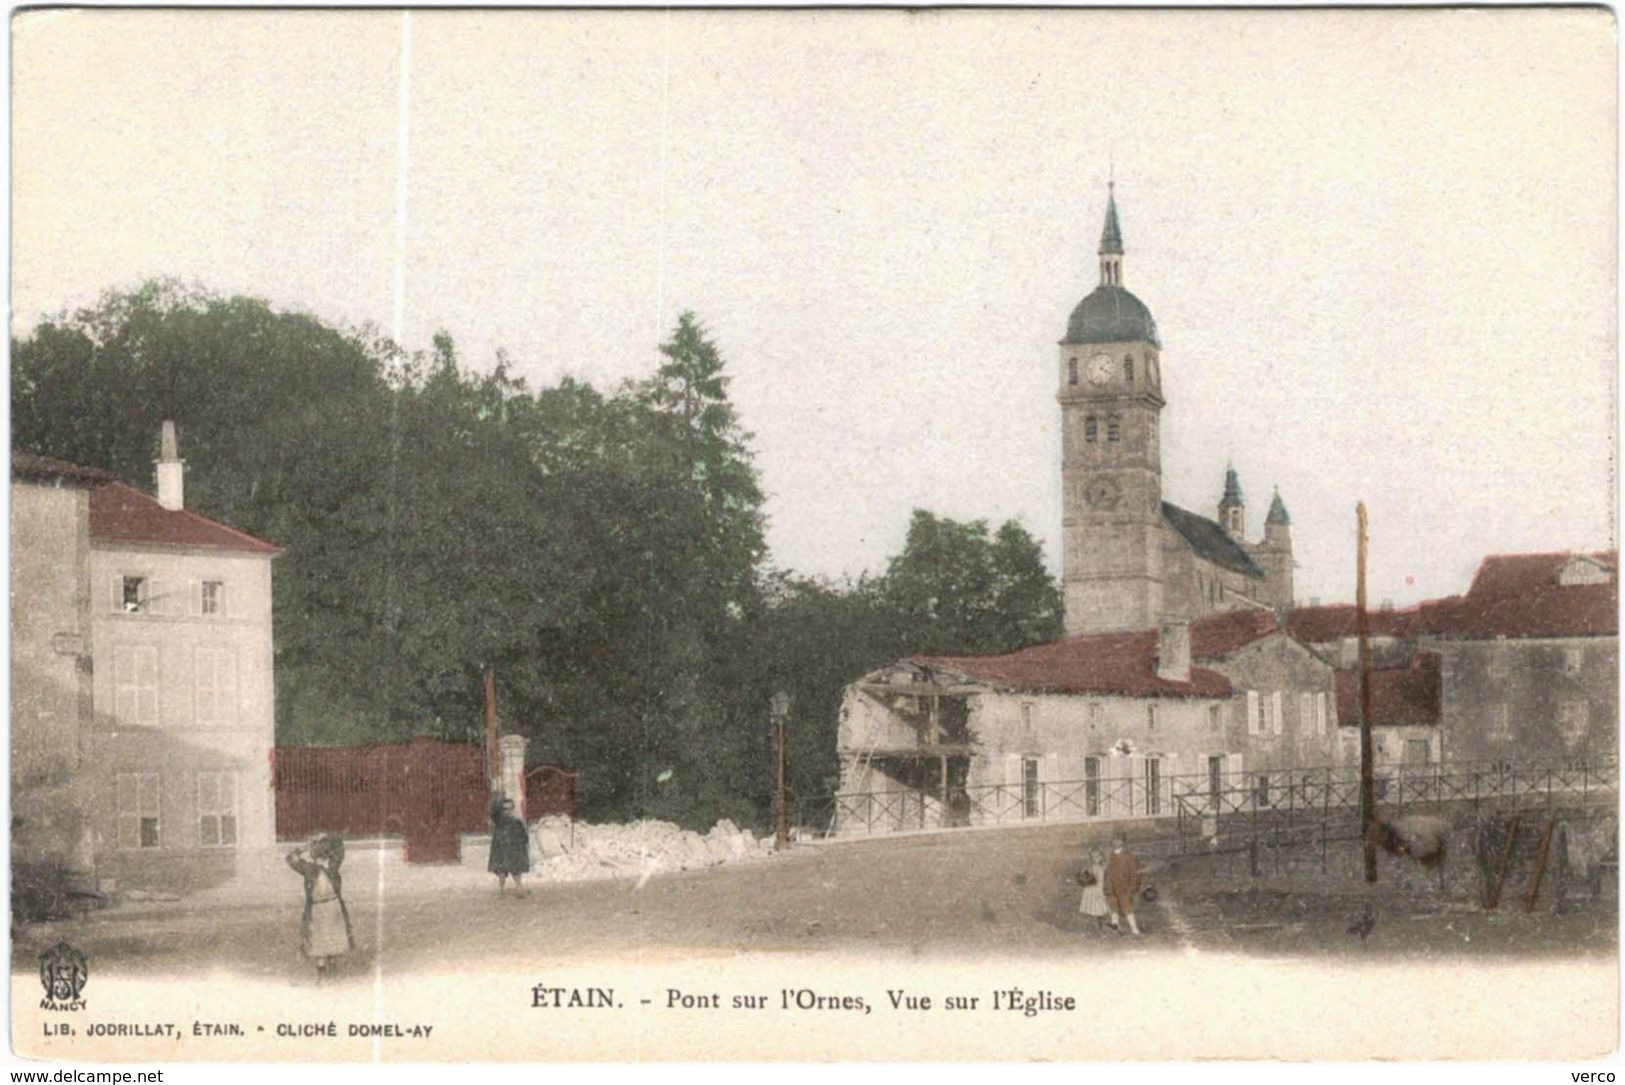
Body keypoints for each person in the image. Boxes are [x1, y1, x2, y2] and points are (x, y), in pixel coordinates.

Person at [286, 833, 354, 980]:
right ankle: (322, 975)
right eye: (317, 850)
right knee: (319, 940)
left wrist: (326, 836)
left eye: (323, 849)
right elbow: (291, 859)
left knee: (334, 938)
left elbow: (340, 847)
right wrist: (302, 848)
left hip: (332, 906)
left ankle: (331, 972)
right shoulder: (309, 868)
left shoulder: (332, 866)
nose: (320, 855)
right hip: (318, 909)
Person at [488, 795, 532, 897]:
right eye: (505, 809)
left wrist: (522, 845)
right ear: (502, 810)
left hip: (513, 849)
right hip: (502, 849)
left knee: (514, 870)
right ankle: (503, 891)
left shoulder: (516, 822)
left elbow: (523, 836)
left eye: (510, 808)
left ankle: (518, 889)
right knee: (502, 871)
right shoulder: (499, 821)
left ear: (513, 809)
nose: (508, 811)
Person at [1104, 833, 1142, 936]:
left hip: (1124, 887)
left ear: (1124, 842)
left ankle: (1134, 929)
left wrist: (1132, 886)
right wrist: (1107, 885)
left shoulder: (1127, 856)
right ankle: (1115, 927)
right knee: (1113, 907)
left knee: (1127, 907)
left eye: (1119, 840)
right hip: (1112, 886)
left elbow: (1133, 872)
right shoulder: (1111, 856)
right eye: (1114, 840)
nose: (1116, 842)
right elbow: (1108, 872)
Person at [1077, 847, 1110, 928]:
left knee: (1101, 906)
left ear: (1102, 856)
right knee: (1096, 907)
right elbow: (1091, 877)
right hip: (1094, 887)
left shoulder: (1103, 866)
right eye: (1093, 857)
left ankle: (1102, 922)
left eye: (1098, 856)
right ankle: (1098, 923)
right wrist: (1086, 875)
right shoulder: (1093, 866)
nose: (1096, 859)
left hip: (1100, 887)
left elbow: (1105, 877)